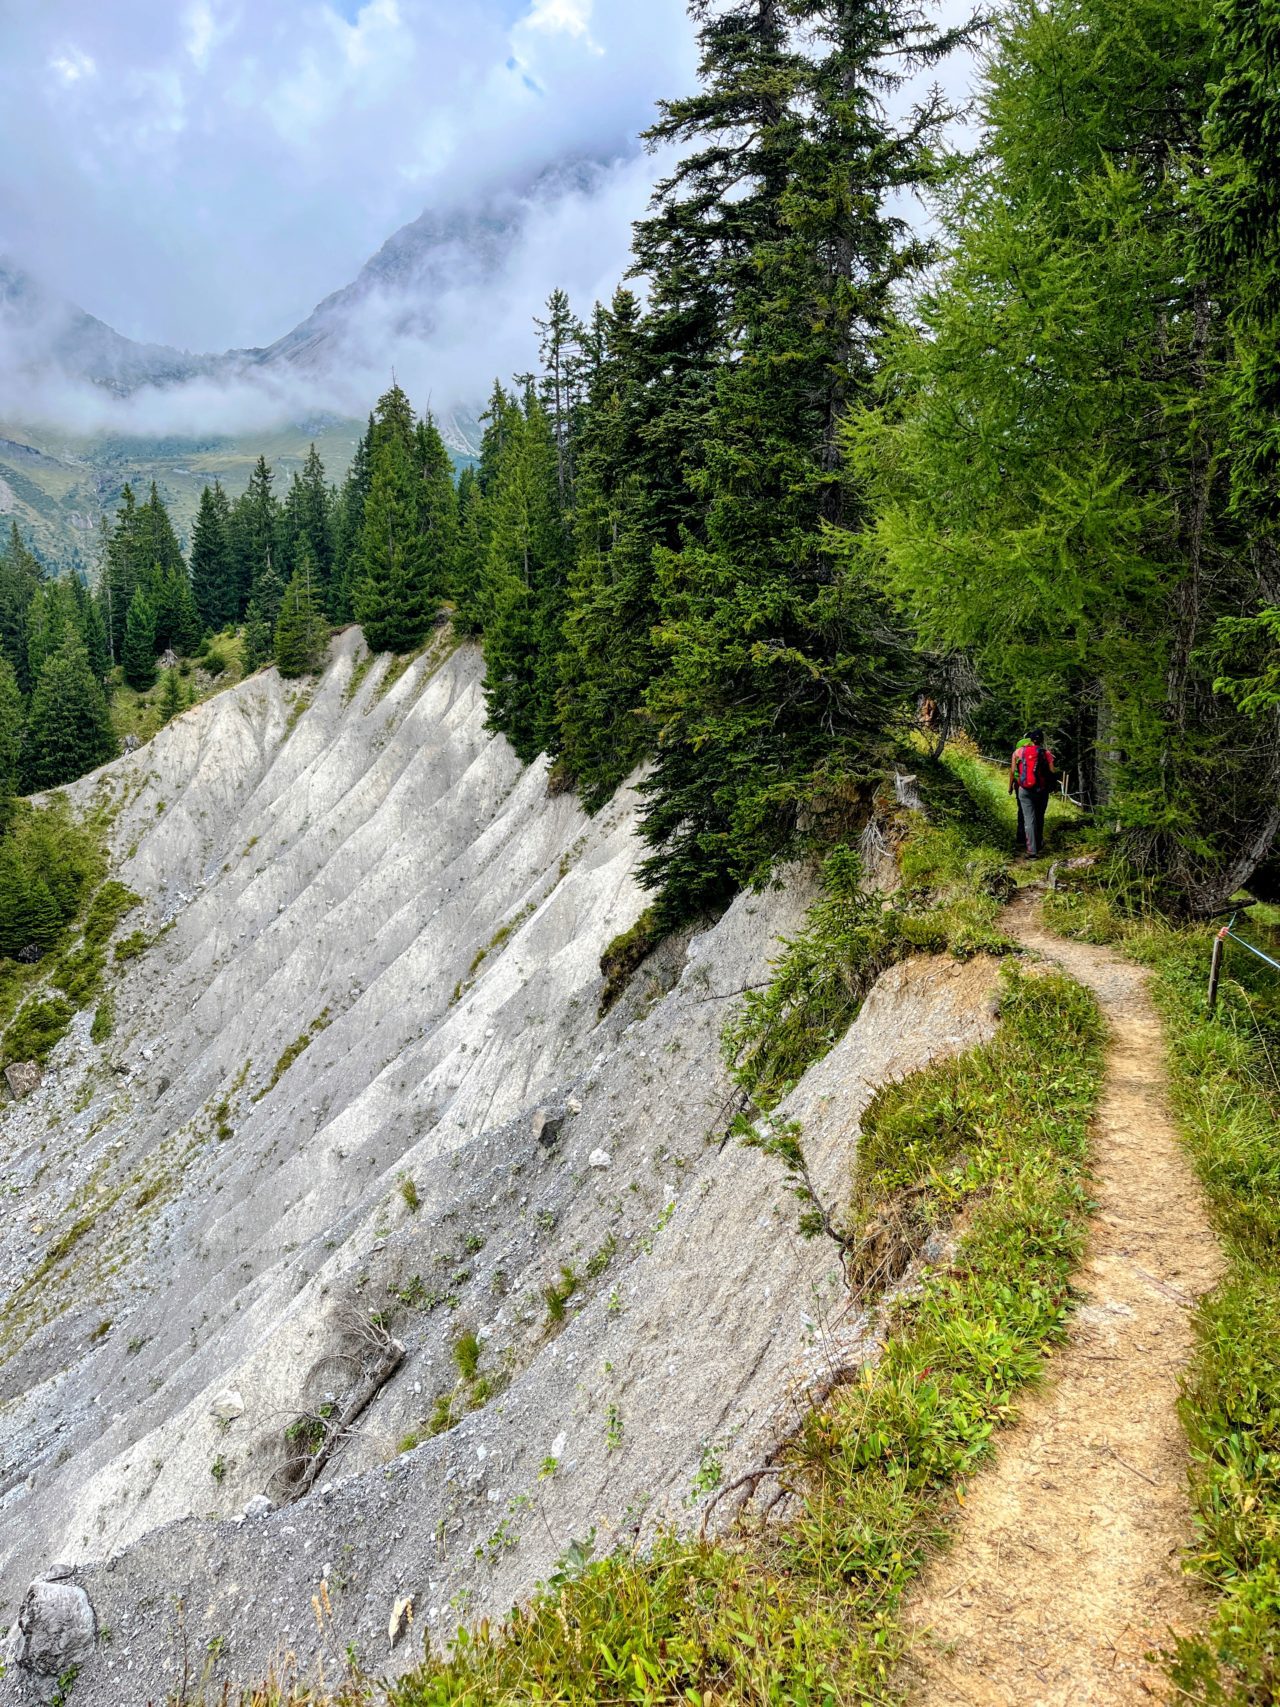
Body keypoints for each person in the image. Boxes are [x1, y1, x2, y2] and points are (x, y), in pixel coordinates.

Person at [1009, 727, 1056, 857]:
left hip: (1024, 790)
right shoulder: (1046, 753)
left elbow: (1012, 772)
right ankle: (1039, 842)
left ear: (1031, 740)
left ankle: (1031, 851)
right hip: (1041, 790)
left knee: (1028, 819)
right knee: (1039, 817)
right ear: (1041, 740)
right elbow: (1052, 772)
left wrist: (1011, 787)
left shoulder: (1018, 752)